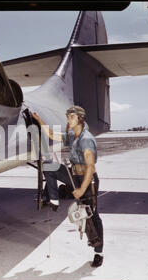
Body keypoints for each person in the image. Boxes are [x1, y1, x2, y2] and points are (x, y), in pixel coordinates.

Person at [32, 106, 104, 267]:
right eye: (67, 117)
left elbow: (90, 168)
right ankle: (54, 200)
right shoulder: (73, 136)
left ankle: (98, 251)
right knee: (49, 166)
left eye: (71, 117)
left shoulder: (86, 139)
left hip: (87, 180)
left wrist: (81, 189)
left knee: (91, 215)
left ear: (80, 118)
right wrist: (38, 119)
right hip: (73, 175)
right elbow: (51, 134)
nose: (68, 120)